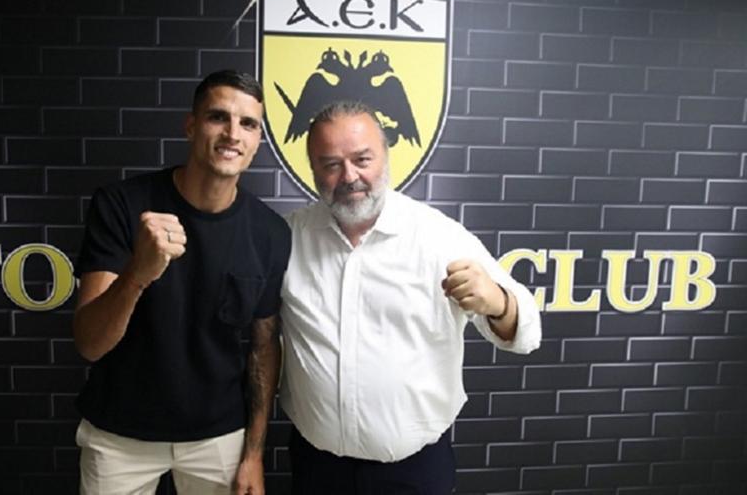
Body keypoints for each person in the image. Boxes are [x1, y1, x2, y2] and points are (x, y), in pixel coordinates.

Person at [279, 101, 542, 494]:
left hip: (415, 472)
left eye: (362, 159)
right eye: (331, 164)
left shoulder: (438, 236)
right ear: (313, 169)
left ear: (385, 156)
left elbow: (528, 334)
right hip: (317, 468)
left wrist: (499, 302)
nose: (349, 176)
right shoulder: (287, 237)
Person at [72, 70, 290, 495]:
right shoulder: (122, 205)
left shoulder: (271, 232)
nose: (233, 134)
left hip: (219, 437)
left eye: (248, 124)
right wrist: (138, 273)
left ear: (257, 141)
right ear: (191, 126)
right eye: (218, 117)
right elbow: (89, 343)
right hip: (120, 433)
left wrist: (254, 454)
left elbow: (263, 348)